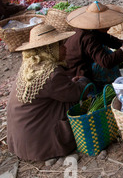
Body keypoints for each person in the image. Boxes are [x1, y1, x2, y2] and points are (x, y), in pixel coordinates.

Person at [7, 24, 91, 162]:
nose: (65, 48)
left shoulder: (31, 64)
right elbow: (75, 93)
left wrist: (70, 82)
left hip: (21, 137)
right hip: (36, 141)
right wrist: (84, 82)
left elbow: (54, 89)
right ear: (50, 49)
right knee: (77, 103)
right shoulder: (51, 73)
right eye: (60, 45)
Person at [65, 2, 123, 89]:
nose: (108, 26)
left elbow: (107, 39)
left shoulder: (91, 29)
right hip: (77, 73)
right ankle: (105, 86)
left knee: (108, 51)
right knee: (107, 59)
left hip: (83, 63)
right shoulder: (87, 37)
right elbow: (106, 62)